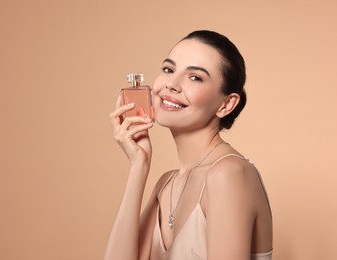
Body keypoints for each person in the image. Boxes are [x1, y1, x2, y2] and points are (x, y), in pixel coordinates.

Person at [105, 30, 273, 260]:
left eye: (195, 77)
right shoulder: (167, 184)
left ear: (226, 104)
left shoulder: (228, 174)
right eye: (168, 69)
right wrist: (138, 165)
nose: (172, 84)